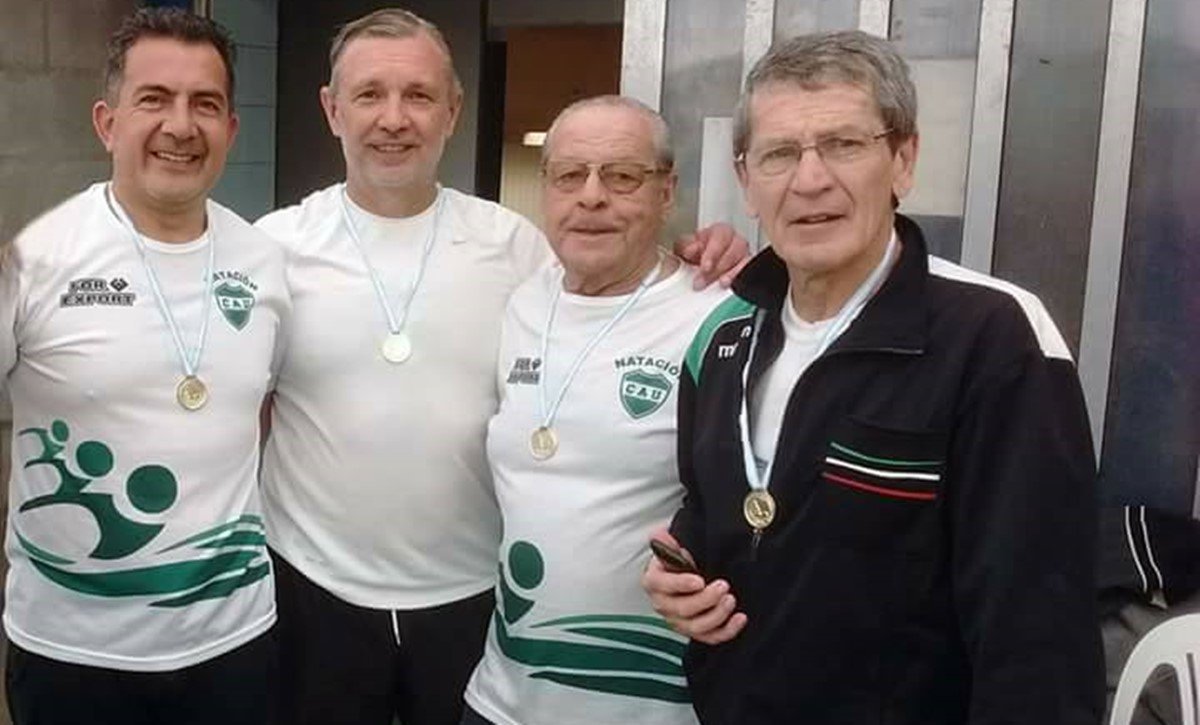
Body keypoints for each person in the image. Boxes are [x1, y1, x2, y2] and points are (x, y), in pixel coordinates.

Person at [253, 8, 746, 725]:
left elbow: (615, 278)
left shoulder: (517, 247)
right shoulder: (271, 248)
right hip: (313, 587)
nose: (394, 119)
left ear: (453, 110)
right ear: (332, 109)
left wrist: (711, 256)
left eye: (419, 95)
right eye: (369, 95)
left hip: (477, 595)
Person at [642, 30, 1105, 724]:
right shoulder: (726, 338)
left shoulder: (993, 337)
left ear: (904, 160)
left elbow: (1037, 632)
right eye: (778, 154)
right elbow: (714, 511)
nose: (809, 180)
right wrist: (683, 572)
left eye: (843, 144)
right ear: (745, 180)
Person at [0, 9, 287, 724]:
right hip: (72, 654)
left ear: (231, 129)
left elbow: (263, 406)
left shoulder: (265, 263)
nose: (180, 126)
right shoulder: (35, 260)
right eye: (154, 99)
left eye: (205, 105)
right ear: (107, 123)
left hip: (235, 642)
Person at [461, 96, 725, 725]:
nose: (591, 197)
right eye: (569, 175)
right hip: (503, 695)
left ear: (667, 192)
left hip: (653, 705)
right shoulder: (523, 302)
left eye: (623, 176)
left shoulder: (718, 316)